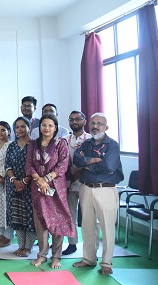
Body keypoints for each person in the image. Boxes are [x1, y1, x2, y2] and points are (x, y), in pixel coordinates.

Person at [73, 113, 124, 275]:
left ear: (106, 127)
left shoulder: (112, 145)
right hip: (86, 188)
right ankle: (88, 259)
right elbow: (76, 160)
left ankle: (106, 263)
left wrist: (88, 163)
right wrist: (95, 160)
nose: (95, 126)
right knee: (87, 226)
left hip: (106, 189)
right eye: (93, 123)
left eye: (99, 124)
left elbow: (109, 166)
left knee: (107, 227)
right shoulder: (86, 144)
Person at [26, 113, 74, 269]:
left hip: (56, 188)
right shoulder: (33, 144)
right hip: (38, 188)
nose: (46, 128)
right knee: (40, 222)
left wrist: (45, 179)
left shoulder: (61, 144)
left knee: (57, 222)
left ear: (55, 128)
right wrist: (39, 180)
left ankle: (56, 256)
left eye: (50, 125)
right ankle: (41, 255)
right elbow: (29, 165)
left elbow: (62, 165)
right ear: (40, 127)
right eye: (44, 125)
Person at [62, 111, 93, 255]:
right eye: (71, 119)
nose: (74, 122)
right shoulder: (64, 139)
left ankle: (90, 246)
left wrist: (79, 172)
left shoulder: (90, 140)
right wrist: (69, 175)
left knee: (87, 215)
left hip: (86, 182)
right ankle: (72, 243)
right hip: (68, 182)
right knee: (70, 214)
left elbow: (92, 161)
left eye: (77, 119)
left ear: (84, 121)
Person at [5, 117, 36, 257]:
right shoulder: (12, 145)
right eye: (17, 127)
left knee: (29, 216)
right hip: (13, 186)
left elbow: (36, 166)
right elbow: (7, 165)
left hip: (30, 186)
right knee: (16, 216)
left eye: (23, 126)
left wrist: (24, 182)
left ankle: (28, 247)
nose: (20, 129)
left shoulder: (34, 145)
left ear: (29, 127)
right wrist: (14, 180)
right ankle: (20, 245)